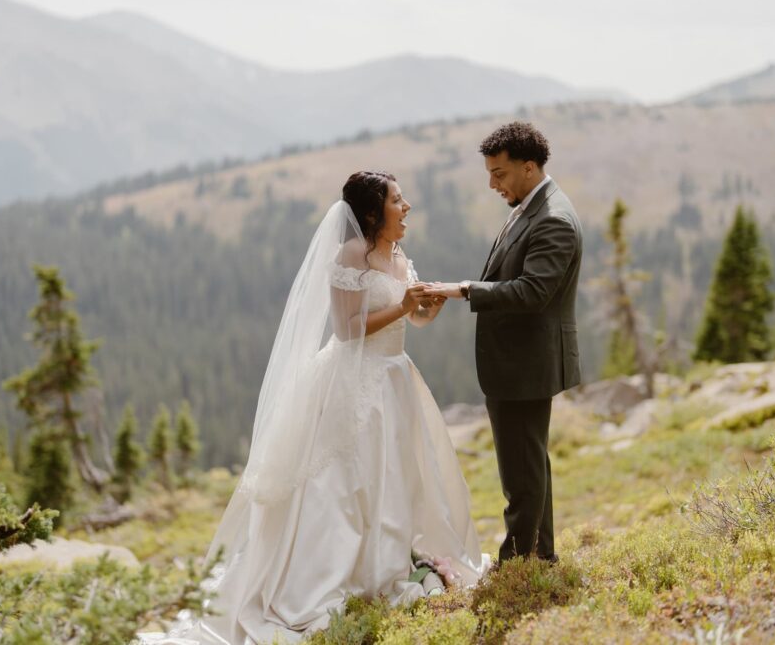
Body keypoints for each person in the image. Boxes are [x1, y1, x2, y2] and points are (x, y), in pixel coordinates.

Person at [148, 171, 489, 645]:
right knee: (345, 481)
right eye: (397, 200)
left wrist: (428, 306)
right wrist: (403, 303)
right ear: (372, 212)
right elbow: (348, 329)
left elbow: (415, 318)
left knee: (398, 474)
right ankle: (329, 573)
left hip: (396, 378)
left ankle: (389, 558)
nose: (407, 206)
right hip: (354, 380)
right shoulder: (350, 255)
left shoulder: (399, 254)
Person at [425, 122, 583, 563]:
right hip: (517, 361)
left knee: (521, 474)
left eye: (500, 174)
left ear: (529, 168)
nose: (493, 184)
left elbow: (534, 292)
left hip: (526, 364)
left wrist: (465, 290)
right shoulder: (531, 206)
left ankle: (516, 563)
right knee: (531, 465)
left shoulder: (553, 219)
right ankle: (541, 557)